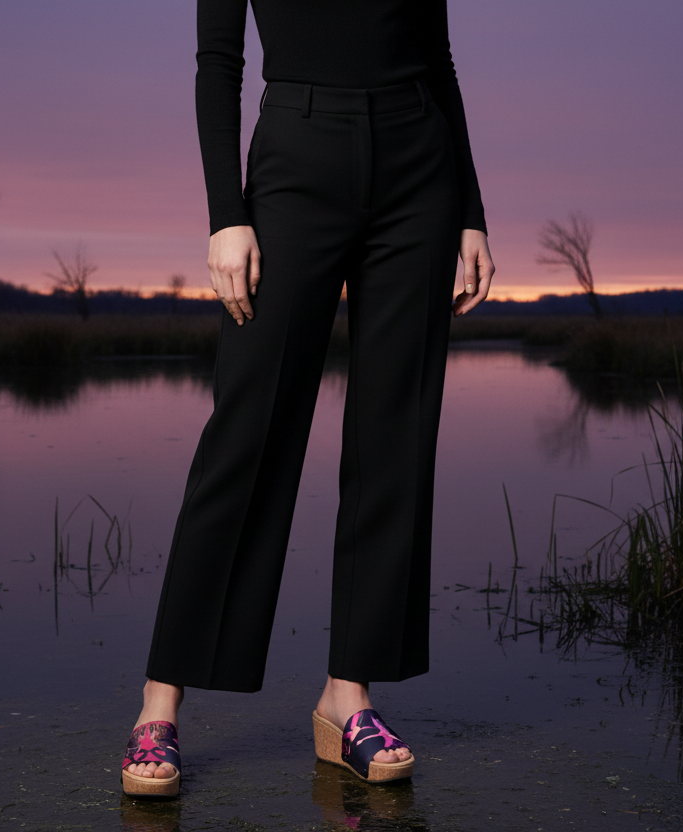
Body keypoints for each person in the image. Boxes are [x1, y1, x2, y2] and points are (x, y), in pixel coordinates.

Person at [121, 0, 494, 798]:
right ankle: (160, 706)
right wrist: (227, 214)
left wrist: (470, 211)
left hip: (418, 168)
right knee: (248, 429)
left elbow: (441, 60)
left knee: (394, 436)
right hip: (297, 155)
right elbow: (217, 62)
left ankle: (347, 698)